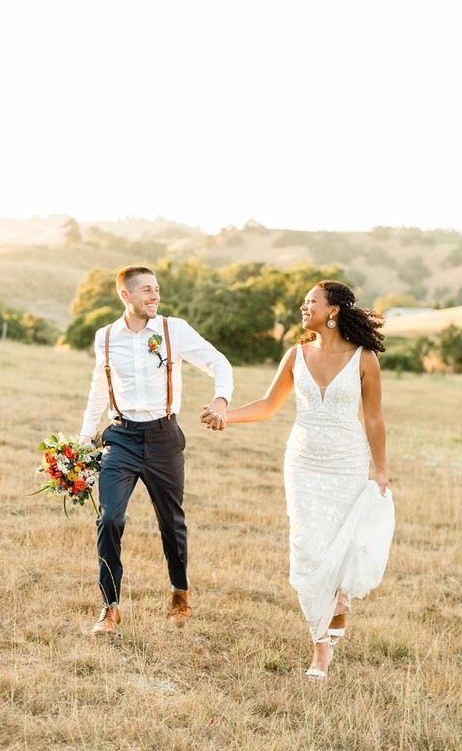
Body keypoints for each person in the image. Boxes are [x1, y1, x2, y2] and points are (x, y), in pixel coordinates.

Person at [201, 279, 395, 680]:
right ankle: (319, 647)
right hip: (303, 462)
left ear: (334, 310)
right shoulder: (296, 354)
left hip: (346, 462)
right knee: (307, 546)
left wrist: (381, 469)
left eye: (312, 301)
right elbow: (269, 404)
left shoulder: (364, 359)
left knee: (341, 544)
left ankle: (339, 604)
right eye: (304, 302)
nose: (304, 307)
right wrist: (227, 415)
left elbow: (374, 417)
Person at [79, 265, 234, 634]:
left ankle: (180, 591)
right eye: (146, 290)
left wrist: (222, 400)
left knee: (171, 522)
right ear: (125, 296)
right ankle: (110, 606)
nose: (155, 296)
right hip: (120, 438)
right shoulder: (105, 338)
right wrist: (85, 437)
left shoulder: (172, 330)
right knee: (110, 519)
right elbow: (99, 390)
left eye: (157, 289)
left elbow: (218, 362)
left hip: (164, 437)